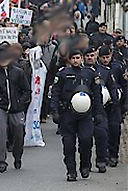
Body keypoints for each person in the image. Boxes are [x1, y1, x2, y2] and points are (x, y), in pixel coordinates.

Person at [50, 50, 104, 181]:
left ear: (82, 58)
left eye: (78, 58)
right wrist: (55, 111)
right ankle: (71, 171)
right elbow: (55, 93)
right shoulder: (62, 74)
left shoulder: (90, 73)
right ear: (69, 59)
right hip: (68, 113)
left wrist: (98, 113)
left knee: (86, 140)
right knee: (68, 144)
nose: (75, 60)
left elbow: (97, 94)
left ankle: (85, 165)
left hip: (86, 114)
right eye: (73, 58)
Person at [0, 47, 31, 174]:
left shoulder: (18, 72)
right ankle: (1, 162)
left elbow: (27, 91)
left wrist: (20, 103)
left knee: (19, 133)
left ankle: (17, 156)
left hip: (16, 109)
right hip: (1, 108)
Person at [83, 47, 116, 173]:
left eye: (92, 55)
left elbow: (111, 86)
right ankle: (85, 164)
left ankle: (101, 160)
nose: (90, 58)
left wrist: (115, 101)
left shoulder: (104, 71)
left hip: (100, 108)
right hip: (84, 109)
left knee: (102, 134)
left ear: (96, 56)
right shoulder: (80, 71)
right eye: (87, 55)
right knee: (85, 138)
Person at [98, 46, 127, 167]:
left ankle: (113, 155)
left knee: (115, 129)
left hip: (116, 104)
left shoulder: (118, 67)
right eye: (103, 58)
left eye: (107, 57)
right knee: (103, 131)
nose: (105, 60)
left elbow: (125, 85)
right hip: (103, 104)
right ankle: (103, 154)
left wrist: (125, 104)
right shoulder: (98, 69)